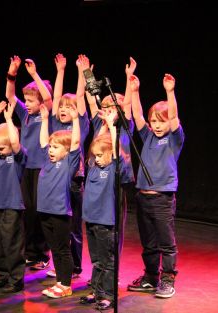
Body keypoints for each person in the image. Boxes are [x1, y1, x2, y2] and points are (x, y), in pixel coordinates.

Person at [127, 73, 184, 299]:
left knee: (165, 242)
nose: (157, 125)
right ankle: (151, 277)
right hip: (143, 197)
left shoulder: (173, 139)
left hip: (162, 199)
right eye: (154, 121)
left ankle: (167, 279)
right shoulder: (148, 136)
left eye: (162, 121)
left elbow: (175, 118)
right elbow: (137, 114)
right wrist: (134, 91)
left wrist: (170, 92)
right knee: (148, 242)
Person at [86, 57, 137, 257]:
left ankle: (111, 268)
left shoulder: (125, 126)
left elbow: (128, 105)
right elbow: (91, 101)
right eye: (105, 109)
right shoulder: (100, 125)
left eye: (112, 109)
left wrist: (128, 77)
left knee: (114, 225)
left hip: (117, 178)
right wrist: (86, 74)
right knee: (97, 225)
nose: (108, 112)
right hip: (99, 176)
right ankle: (100, 269)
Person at [45, 53, 91, 279]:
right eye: (62, 107)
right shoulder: (55, 123)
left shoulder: (80, 123)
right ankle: (62, 264)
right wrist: (60, 71)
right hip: (55, 181)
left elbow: (81, 96)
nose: (64, 109)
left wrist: (83, 73)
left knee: (73, 227)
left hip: (73, 181)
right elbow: (55, 97)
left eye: (68, 106)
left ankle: (75, 266)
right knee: (58, 227)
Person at [5, 56, 53, 270]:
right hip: (25, 167)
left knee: (38, 210)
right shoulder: (24, 114)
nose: (28, 103)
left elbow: (49, 98)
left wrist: (34, 74)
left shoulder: (46, 114)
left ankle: (41, 254)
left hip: (42, 167)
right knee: (27, 211)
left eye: (32, 100)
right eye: (27, 100)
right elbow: (10, 95)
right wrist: (12, 72)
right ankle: (30, 252)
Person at [80, 109, 128, 311]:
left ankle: (108, 294)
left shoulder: (113, 169)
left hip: (106, 223)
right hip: (91, 220)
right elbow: (96, 146)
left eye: (102, 155)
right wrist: (104, 125)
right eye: (96, 155)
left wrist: (112, 125)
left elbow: (115, 152)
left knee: (108, 261)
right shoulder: (94, 165)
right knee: (97, 260)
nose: (97, 158)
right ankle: (97, 290)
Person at [37, 103, 81, 298]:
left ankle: (66, 284)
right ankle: (59, 282)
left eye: (56, 147)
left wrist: (76, 120)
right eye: (51, 147)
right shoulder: (47, 160)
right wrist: (45, 120)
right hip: (44, 211)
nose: (51, 150)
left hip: (60, 213)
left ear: (65, 150)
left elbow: (76, 144)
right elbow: (43, 142)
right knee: (54, 248)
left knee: (63, 249)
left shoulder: (68, 164)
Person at [0, 100, 27, 293]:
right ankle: (1, 274)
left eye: (2, 148)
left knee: (12, 241)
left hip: (12, 204)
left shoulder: (17, 157)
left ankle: (16, 278)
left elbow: (15, 143)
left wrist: (9, 120)